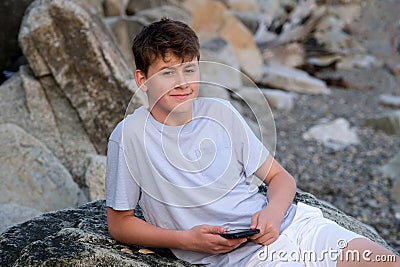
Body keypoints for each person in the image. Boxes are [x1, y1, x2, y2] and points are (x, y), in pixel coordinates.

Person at [105, 18, 399, 267]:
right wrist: (185, 240)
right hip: (248, 257)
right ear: (142, 80)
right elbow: (120, 224)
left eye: (190, 70)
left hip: (296, 225)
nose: (183, 83)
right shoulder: (130, 135)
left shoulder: (221, 112)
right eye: (168, 72)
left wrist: (272, 213)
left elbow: (279, 178)